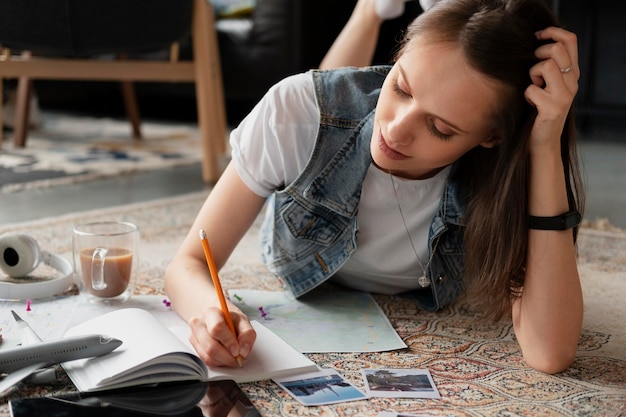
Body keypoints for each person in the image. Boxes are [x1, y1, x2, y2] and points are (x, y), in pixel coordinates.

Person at [164, 0, 584, 375]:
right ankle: (371, 10)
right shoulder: (292, 110)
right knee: (330, 111)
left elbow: (549, 354)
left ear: (490, 137)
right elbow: (188, 263)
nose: (396, 131)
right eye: (401, 87)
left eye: (441, 128)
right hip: (303, 253)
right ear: (397, 55)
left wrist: (545, 147)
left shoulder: (506, 164)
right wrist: (210, 313)